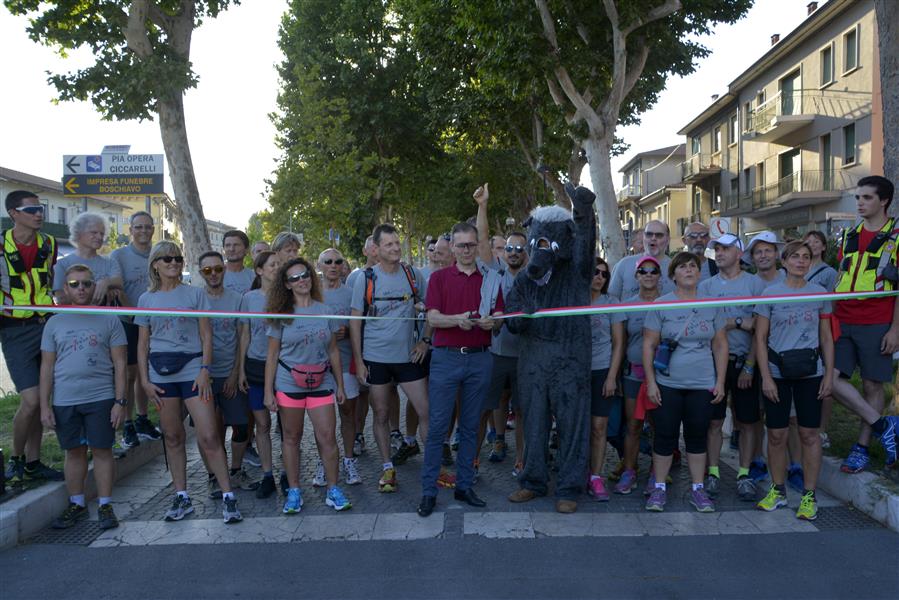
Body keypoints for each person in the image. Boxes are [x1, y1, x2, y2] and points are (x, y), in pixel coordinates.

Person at [136, 241, 242, 524]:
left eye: (178, 258)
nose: (174, 263)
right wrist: (145, 381)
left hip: (193, 368)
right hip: (160, 372)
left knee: (208, 435)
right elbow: (142, 343)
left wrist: (205, 369)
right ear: (155, 264)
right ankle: (181, 495)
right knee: (172, 436)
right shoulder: (146, 299)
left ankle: (228, 496)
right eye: (167, 259)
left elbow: (206, 335)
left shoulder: (195, 294)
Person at [417, 220, 504, 517]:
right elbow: (434, 318)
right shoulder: (440, 278)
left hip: (481, 358)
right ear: (452, 247)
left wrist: (495, 322)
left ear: (478, 246)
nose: (467, 250)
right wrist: (459, 320)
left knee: (470, 427)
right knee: (438, 428)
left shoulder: (491, 279)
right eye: (461, 245)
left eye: (472, 244)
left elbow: (501, 317)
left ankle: (464, 486)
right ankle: (428, 491)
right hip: (446, 357)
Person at [39, 264, 127, 530]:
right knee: (74, 453)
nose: (81, 289)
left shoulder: (109, 319)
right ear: (65, 288)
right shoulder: (55, 321)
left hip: (101, 397)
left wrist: (120, 402)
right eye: (75, 284)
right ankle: (76, 504)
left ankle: (105, 505)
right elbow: (47, 367)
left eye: (86, 284)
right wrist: (44, 405)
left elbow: (121, 364)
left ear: (94, 286)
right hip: (65, 400)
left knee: (102, 451)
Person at [754, 240, 835, 521]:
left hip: (810, 372)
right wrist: (765, 377)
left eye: (806, 257)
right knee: (776, 434)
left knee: (809, 434)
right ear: (784, 261)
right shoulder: (770, 293)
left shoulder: (820, 293)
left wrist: (828, 374)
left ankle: (809, 495)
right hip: (777, 372)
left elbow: (826, 336)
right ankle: (777, 490)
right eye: (795, 257)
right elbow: (760, 339)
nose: (801, 261)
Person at [264, 257, 352, 513]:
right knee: (291, 438)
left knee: (327, 437)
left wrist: (340, 385)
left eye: (305, 275)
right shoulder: (281, 314)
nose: (301, 280)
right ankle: (294, 491)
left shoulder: (326, 310)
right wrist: (269, 391)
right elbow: (272, 355)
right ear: (287, 285)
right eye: (294, 278)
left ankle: (333, 489)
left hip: (322, 381)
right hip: (288, 383)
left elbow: (334, 351)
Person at [643, 251, 728, 513]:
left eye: (693, 266)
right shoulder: (662, 303)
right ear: (674, 275)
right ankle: (658, 489)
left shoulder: (711, 303)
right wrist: (651, 383)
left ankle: (698, 489)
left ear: (699, 272)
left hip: (702, 383)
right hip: (668, 384)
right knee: (665, 437)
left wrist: (720, 382)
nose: (689, 270)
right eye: (683, 267)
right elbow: (649, 345)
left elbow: (720, 345)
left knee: (696, 437)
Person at [350, 224, 431, 493]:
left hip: (408, 356)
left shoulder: (412, 274)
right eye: (389, 245)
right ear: (376, 249)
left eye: (397, 243)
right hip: (376, 358)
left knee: (425, 410)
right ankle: (387, 466)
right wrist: (359, 362)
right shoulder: (366, 277)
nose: (395, 248)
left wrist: (425, 340)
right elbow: (354, 322)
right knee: (381, 414)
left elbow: (432, 308)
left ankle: (431, 466)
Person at [831, 176, 899, 472]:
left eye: (867, 197)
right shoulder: (849, 234)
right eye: (858, 197)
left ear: (883, 201)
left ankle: (861, 447)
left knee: (872, 383)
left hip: (878, 319)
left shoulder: (897, 236)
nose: (860, 203)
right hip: (843, 317)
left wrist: (896, 329)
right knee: (829, 380)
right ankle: (884, 426)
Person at [697, 234, 765, 501]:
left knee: (748, 422)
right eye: (717, 249)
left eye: (725, 248)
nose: (720, 253)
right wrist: (742, 321)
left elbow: (759, 328)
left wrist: (749, 365)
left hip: (745, 362)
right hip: (713, 364)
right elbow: (708, 326)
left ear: (739, 253)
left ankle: (744, 474)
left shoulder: (755, 283)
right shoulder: (706, 286)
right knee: (714, 421)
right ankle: (713, 472)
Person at [2, 190, 63, 484]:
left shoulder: (49, 243)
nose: (40, 214)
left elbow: (52, 282)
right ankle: (15, 458)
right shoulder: (1, 245)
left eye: (41, 209)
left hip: (46, 324)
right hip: (13, 329)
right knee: (29, 400)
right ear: (14, 213)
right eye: (32, 210)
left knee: (41, 399)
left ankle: (34, 462)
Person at [198, 251, 254, 496]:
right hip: (204, 375)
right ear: (201, 273)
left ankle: (236, 470)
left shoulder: (237, 299)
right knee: (208, 430)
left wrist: (235, 373)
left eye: (217, 269)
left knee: (241, 426)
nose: (213, 274)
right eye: (207, 270)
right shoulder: (195, 298)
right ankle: (213, 475)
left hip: (230, 372)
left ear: (224, 270)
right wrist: (202, 372)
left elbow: (243, 336)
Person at [611, 255, 662, 495]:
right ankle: (630, 471)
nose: (649, 274)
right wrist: (617, 376)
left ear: (660, 276)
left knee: (658, 426)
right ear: (636, 276)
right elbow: (619, 344)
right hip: (633, 374)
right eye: (644, 271)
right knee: (633, 425)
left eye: (653, 271)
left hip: (661, 376)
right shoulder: (626, 305)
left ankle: (657, 472)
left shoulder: (667, 303)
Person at [111, 211, 162, 449]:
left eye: (147, 227)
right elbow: (118, 289)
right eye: (138, 227)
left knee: (145, 374)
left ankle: (143, 419)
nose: (143, 231)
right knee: (130, 373)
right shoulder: (119, 255)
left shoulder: (159, 254)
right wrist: (136, 314)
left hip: (155, 323)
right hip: (129, 322)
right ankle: (128, 423)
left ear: (153, 229)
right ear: (130, 230)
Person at [744, 230, 786, 481]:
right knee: (755, 414)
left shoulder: (789, 277)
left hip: (786, 357)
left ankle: (793, 467)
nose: (763, 255)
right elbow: (752, 328)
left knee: (788, 417)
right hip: (755, 355)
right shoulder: (749, 284)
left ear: (777, 253)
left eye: (768, 250)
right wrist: (750, 364)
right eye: (758, 251)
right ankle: (758, 460)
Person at [237, 251, 280, 498]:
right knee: (262, 424)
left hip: (283, 368)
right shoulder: (249, 299)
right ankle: (267, 475)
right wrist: (241, 368)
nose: (277, 268)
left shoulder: (290, 296)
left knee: (288, 427)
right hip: (255, 367)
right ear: (260, 270)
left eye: (279, 264)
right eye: (272, 265)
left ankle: (288, 474)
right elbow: (245, 334)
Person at [318, 248, 363, 486]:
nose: (333, 265)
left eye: (338, 261)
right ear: (320, 265)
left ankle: (348, 459)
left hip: (345, 363)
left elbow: (361, 327)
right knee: (321, 421)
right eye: (328, 262)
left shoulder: (352, 293)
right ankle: (324, 462)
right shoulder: (311, 294)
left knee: (348, 414)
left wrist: (348, 332)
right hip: (318, 367)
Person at [587, 257, 624, 501]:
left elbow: (619, 342)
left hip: (602, 370)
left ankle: (595, 476)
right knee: (575, 427)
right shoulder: (573, 301)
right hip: (574, 373)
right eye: (595, 272)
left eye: (604, 274)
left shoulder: (612, 303)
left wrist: (612, 376)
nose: (599, 277)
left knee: (599, 427)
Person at [345, 235, 378, 457]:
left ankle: (361, 432)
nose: (377, 251)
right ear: (366, 251)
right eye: (373, 247)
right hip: (358, 345)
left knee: (370, 395)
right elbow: (352, 312)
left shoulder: (399, 274)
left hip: (381, 347)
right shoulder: (356, 277)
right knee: (356, 394)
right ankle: (355, 433)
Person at [51, 212, 123, 305]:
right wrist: (100, 292)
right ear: (79, 233)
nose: (99, 237)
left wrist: (106, 283)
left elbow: (119, 283)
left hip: (103, 318)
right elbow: (61, 298)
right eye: (94, 232)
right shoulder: (61, 264)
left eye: (102, 233)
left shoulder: (109, 262)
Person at [608, 220, 674, 301]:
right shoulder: (624, 265)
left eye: (659, 235)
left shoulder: (677, 268)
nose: (653, 238)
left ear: (667, 240)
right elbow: (611, 300)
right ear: (643, 238)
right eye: (649, 234)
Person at [222, 230, 255, 295]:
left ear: (246, 249)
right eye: (228, 245)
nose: (232, 249)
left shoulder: (254, 277)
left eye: (236, 245)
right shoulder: (215, 275)